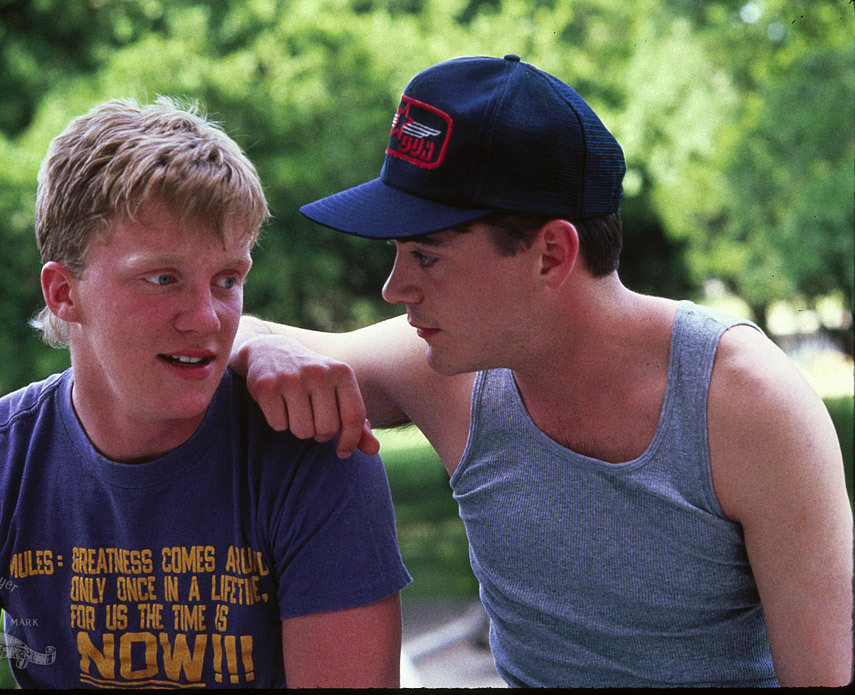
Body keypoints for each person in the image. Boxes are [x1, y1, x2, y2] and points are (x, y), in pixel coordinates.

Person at [231, 55, 854, 687]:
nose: (395, 288)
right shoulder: (443, 368)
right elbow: (220, 337)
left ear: (550, 254)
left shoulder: (744, 402)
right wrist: (265, 349)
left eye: (426, 256)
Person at [0, 97, 411, 689]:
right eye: (163, 279)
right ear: (63, 293)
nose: (206, 319)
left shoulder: (312, 454)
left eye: (228, 279)